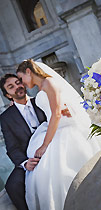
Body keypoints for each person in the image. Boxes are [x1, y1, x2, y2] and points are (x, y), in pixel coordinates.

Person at [16, 59, 101, 210]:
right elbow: (57, 108)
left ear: (29, 72)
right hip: (57, 128)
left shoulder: (49, 83)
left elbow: (55, 114)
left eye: (21, 78)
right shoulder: (42, 87)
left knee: (56, 173)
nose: (21, 83)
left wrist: (45, 145)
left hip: (65, 130)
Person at [0, 74, 71, 210]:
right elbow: (12, 148)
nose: (17, 87)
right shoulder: (5, 118)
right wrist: (25, 163)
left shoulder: (41, 101)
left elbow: (58, 119)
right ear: (8, 95)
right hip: (30, 158)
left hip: (54, 146)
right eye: (11, 87)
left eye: (18, 82)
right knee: (12, 186)